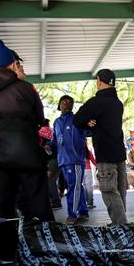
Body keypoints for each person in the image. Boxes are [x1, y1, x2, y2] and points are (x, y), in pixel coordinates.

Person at [0, 37, 53, 264]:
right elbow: (40, 121)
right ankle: (47, 249)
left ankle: (5, 253)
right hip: (28, 152)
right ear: (11, 63)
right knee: (38, 202)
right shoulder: (24, 88)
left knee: (2, 203)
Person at [73, 69, 128, 225]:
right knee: (120, 191)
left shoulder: (97, 102)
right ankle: (124, 225)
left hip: (105, 153)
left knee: (109, 190)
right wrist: (91, 121)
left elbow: (77, 119)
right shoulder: (118, 103)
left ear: (98, 81)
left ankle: (121, 227)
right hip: (119, 153)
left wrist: (87, 122)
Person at [50, 95, 89, 224]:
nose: (67, 104)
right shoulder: (56, 122)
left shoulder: (77, 119)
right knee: (77, 186)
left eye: (70, 102)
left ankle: (72, 214)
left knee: (74, 186)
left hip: (75, 159)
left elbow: (89, 131)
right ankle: (83, 211)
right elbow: (55, 142)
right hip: (63, 160)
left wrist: (91, 122)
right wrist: (46, 145)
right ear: (59, 104)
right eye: (64, 101)